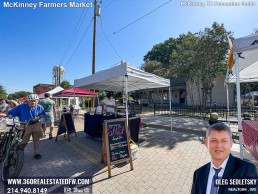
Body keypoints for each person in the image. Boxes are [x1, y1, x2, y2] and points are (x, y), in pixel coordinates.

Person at [191, 123, 258, 194]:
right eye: (214, 140)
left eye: (224, 140)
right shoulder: (198, 173)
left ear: (231, 143)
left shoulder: (246, 170)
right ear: (206, 143)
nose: (219, 145)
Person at [0, 94, 46, 160]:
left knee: (36, 139)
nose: (34, 102)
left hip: (36, 124)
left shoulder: (39, 106)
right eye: (31, 101)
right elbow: (9, 113)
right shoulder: (21, 107)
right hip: (24, 124)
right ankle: (17, 154)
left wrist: (38, 117)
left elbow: (42, 114)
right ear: (27, 101)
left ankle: (36, 153)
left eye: (35, 101)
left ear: (38, 101)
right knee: (23, 141)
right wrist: (2, 114)